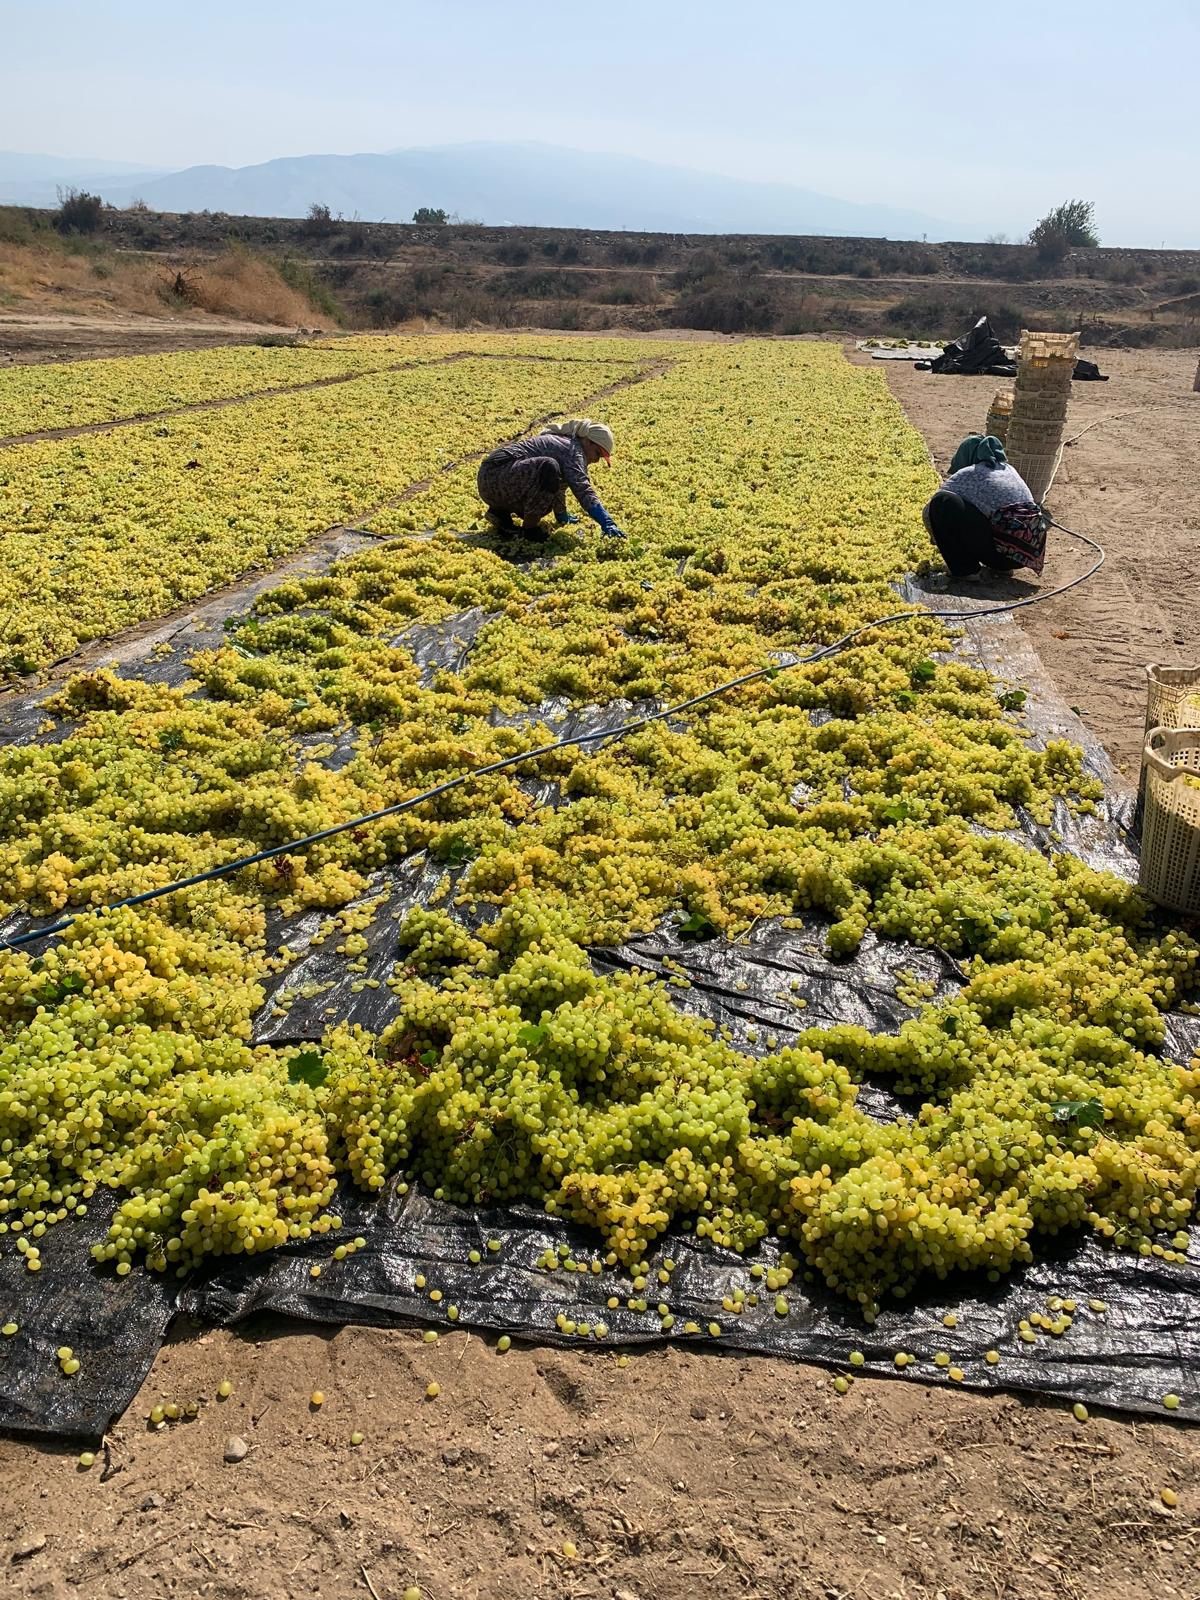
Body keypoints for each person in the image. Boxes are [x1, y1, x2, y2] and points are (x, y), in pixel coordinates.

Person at [922, 434, 1048, 578]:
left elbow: (931, 508)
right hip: (1027, 554)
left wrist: (937, 538)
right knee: (989, 513)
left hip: (1001, 554)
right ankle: (1001, 568)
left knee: (943, 501)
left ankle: (967, 570)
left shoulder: (970, 473)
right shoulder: (1008, 469)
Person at [477, 418, 626, 539]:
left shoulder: (565, 443)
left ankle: (499, 513)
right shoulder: (573, 451)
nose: (596, 460)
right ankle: (530, 531)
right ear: (587, 441)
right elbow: (582, 489)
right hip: (498, 475)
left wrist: (562, 515)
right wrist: (607, 522)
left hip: (489, 478)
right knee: (548, 468)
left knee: (551, 476)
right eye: (597, 453)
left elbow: (558, 485)